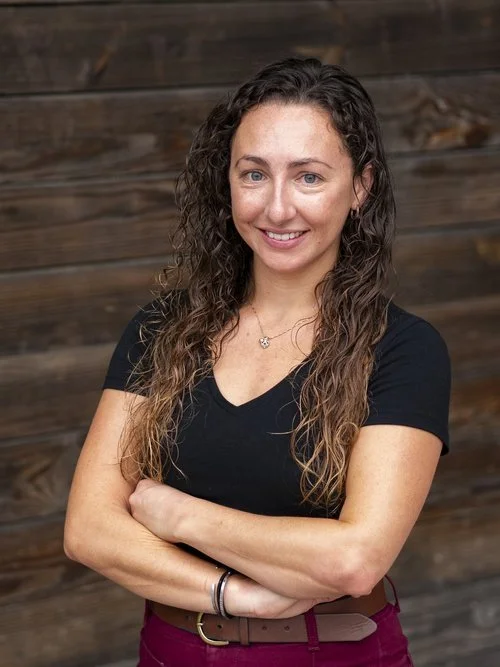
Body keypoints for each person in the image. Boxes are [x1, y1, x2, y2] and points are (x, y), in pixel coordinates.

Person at [64, 57, 451, 667]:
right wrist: (235, 595)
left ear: (361, 186)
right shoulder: (162, 330)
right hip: (173, 651)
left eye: (308, 177)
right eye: (253, 174)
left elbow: (354, 559)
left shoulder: (403, 350)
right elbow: (89, 530)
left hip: (335, 655)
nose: (276, 208)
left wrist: (178, 514)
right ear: (227, 182)